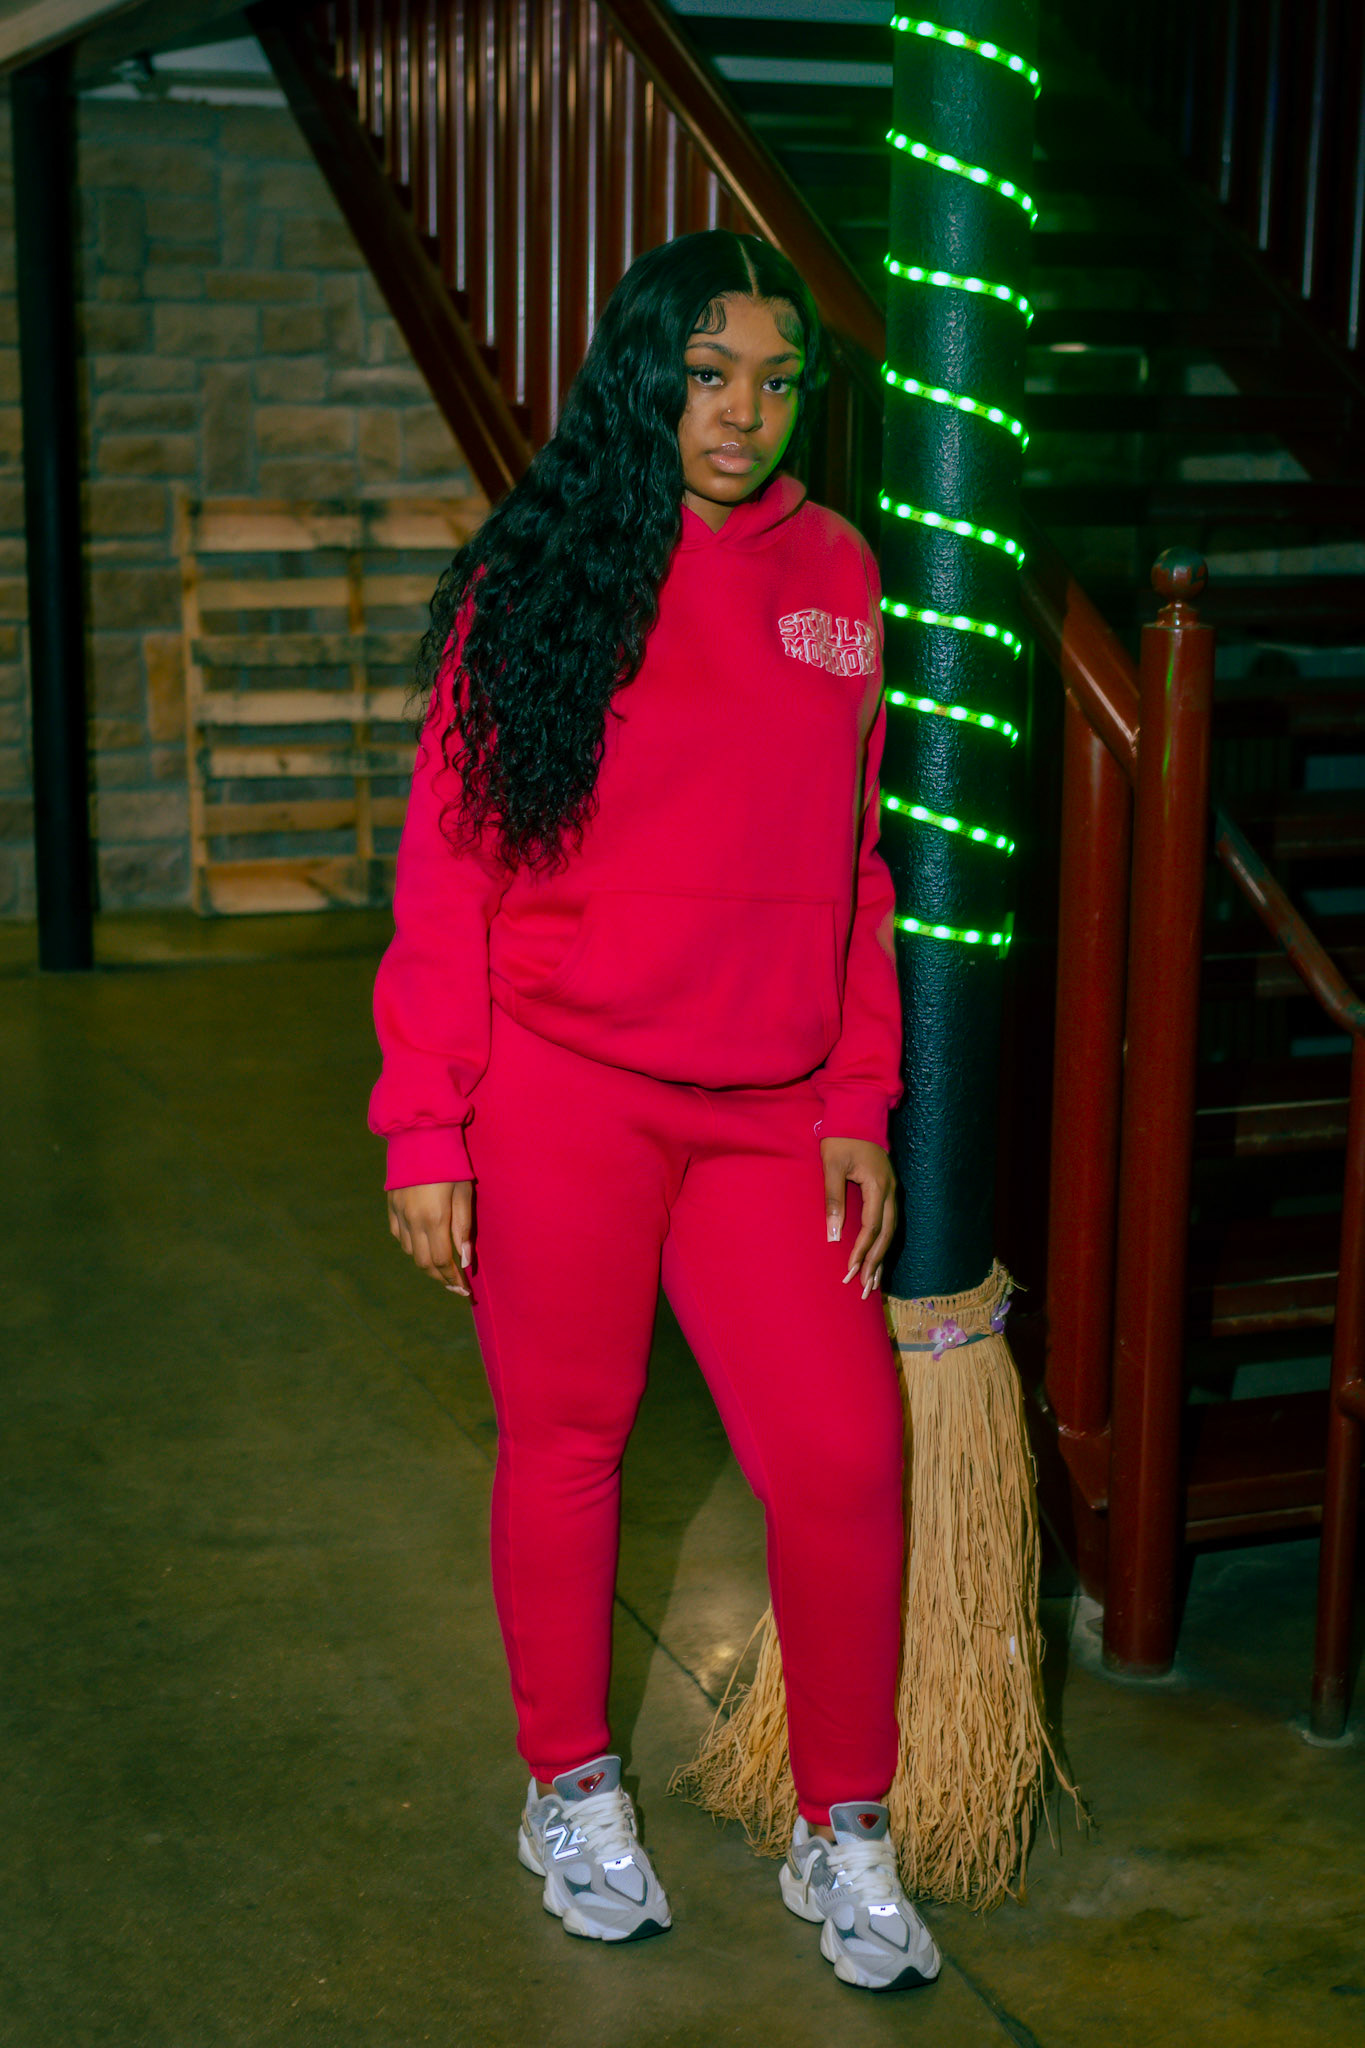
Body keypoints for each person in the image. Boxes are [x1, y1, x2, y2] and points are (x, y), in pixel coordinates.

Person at [369, 230, 940, 1994]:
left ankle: (845, 1825)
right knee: (570, 1447)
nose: (740, 414)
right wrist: (426, 1123)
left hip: (771, 1114)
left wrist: (857, 1097)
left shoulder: (837, 574)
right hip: (565, 1093)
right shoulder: (543, 576)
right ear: (642, 379)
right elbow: (450, 865)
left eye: (774, 382)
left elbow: (854, 865)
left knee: (843, 1459)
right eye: (705, 375)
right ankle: (569, 1789)